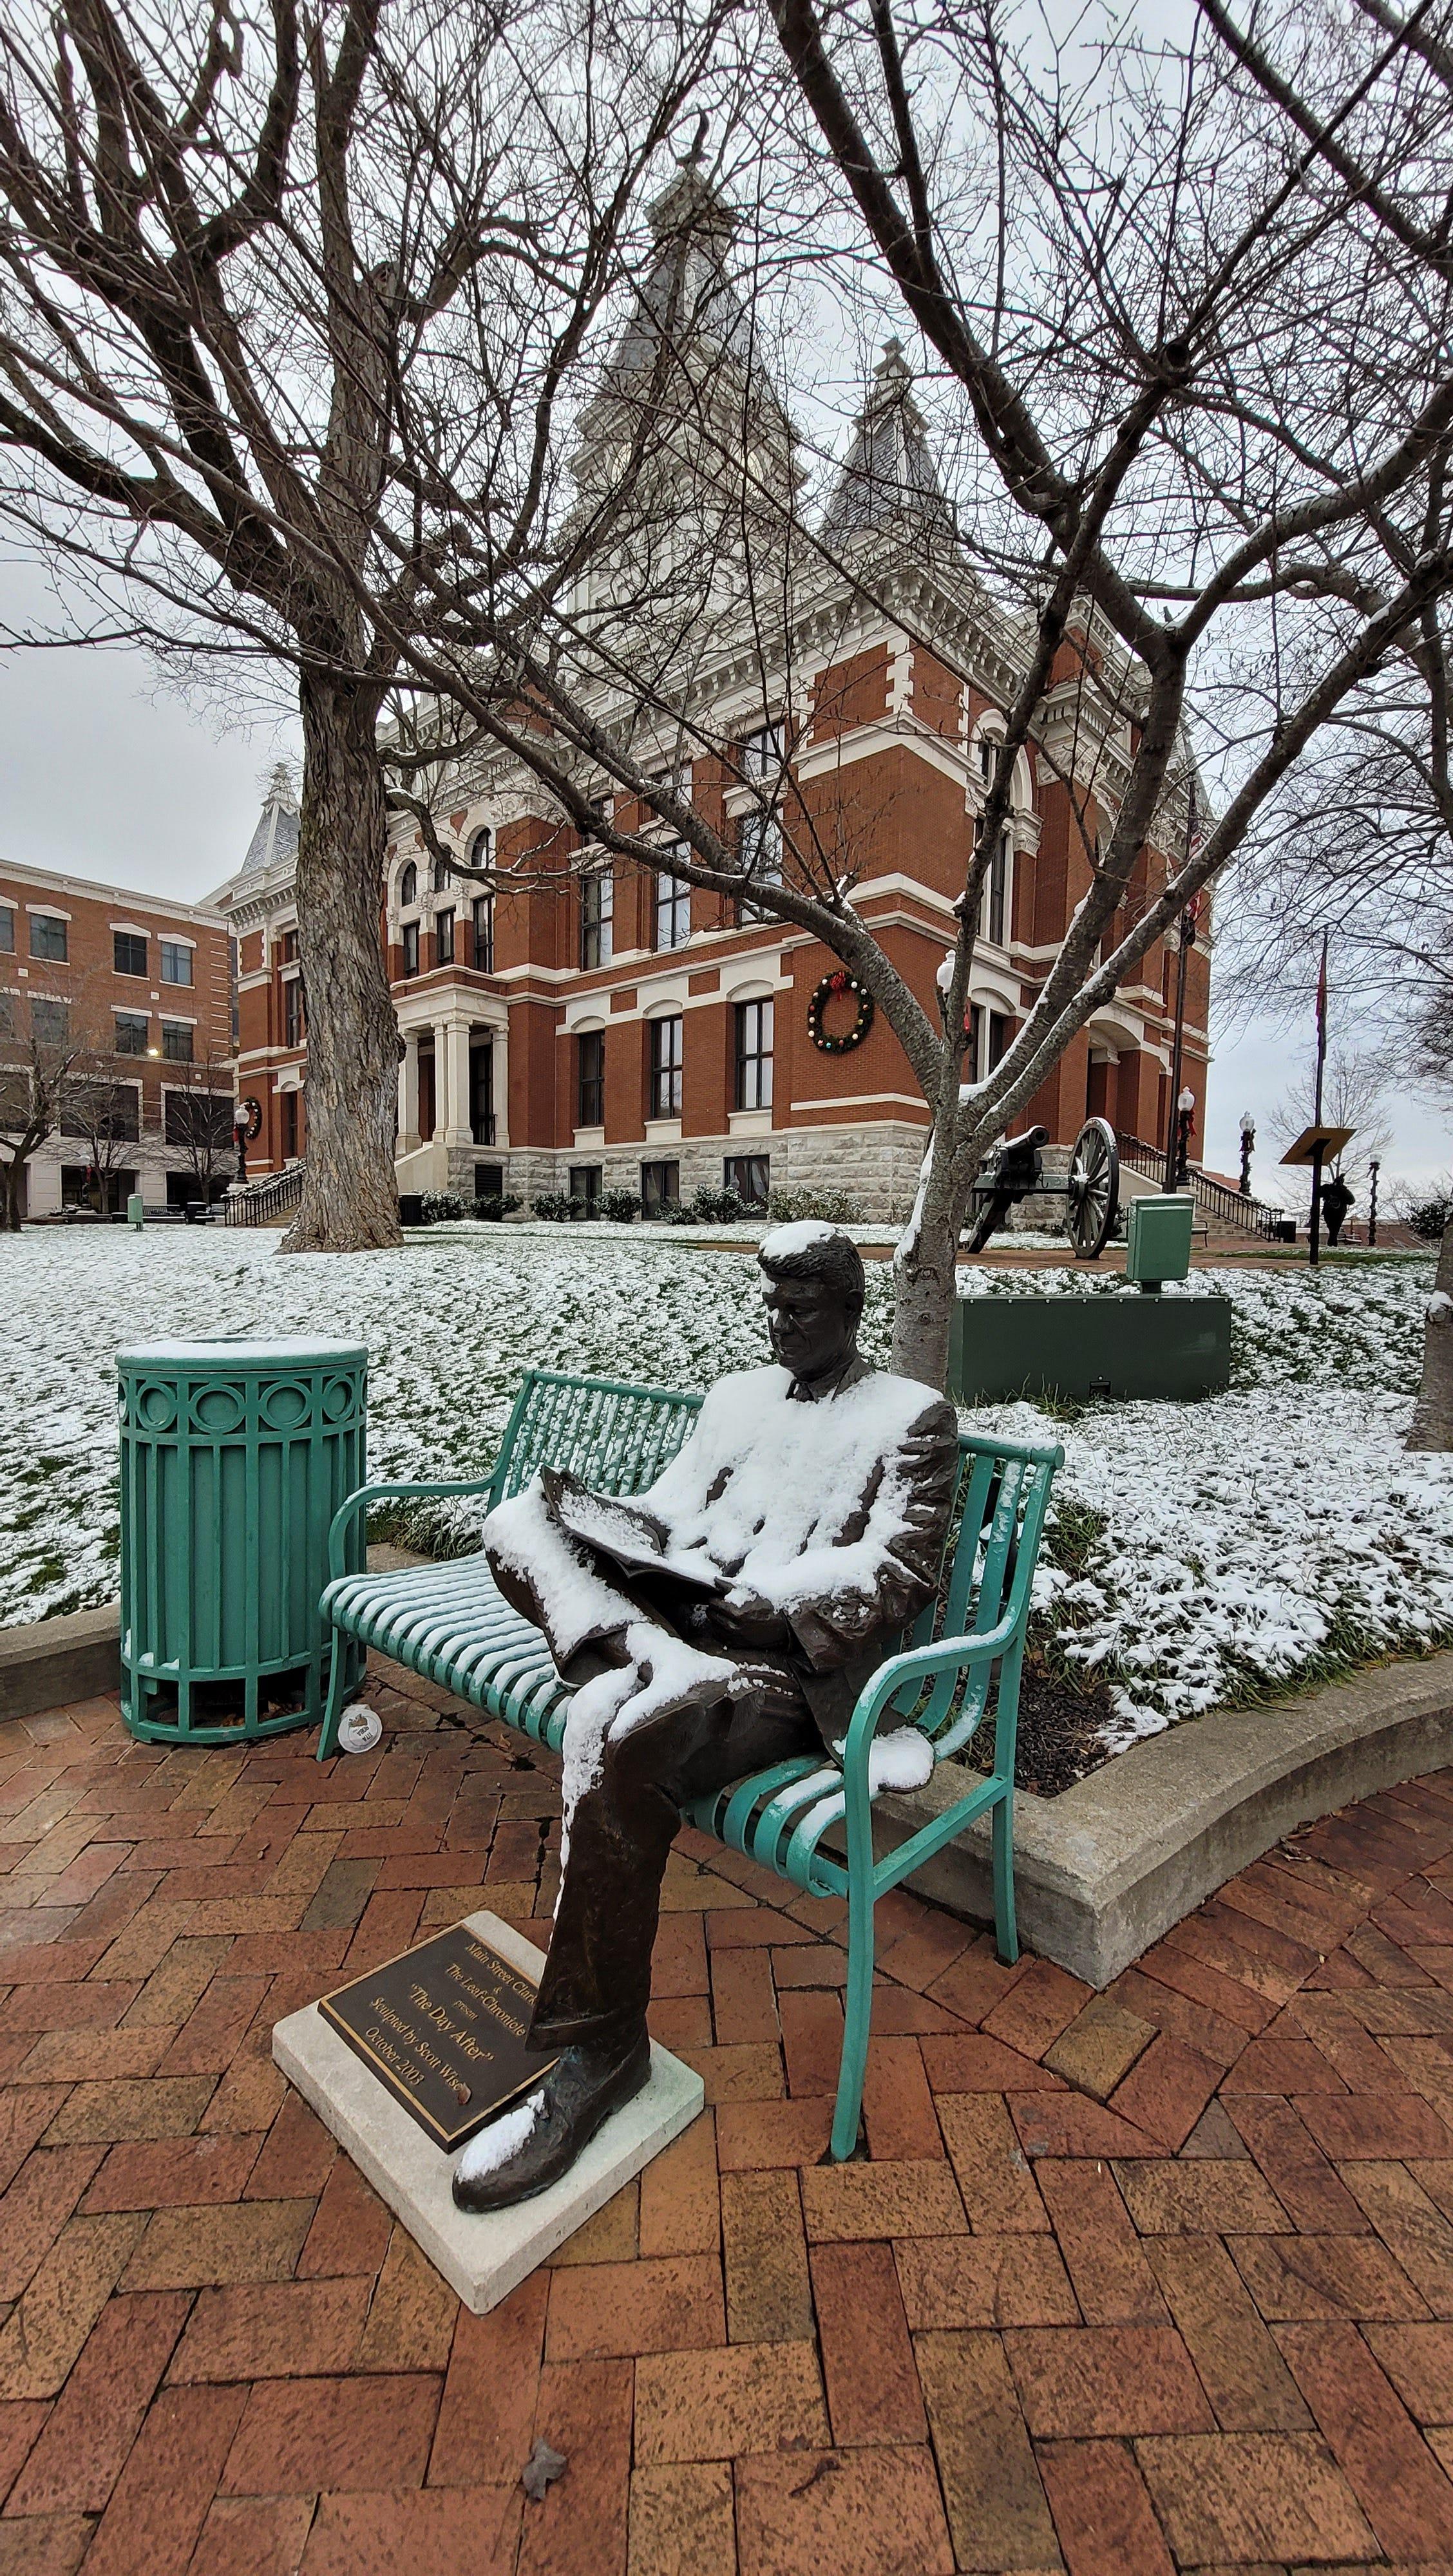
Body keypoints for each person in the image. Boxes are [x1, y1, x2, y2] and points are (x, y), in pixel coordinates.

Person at [452, 1221, 958, 2211]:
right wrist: (606, 1525)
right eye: (769, 1305)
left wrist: (784, 1603)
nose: (777, 1325)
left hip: (785, 1676)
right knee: (518, 1523)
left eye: (799, 1310)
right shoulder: (738, 1398)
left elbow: (902, 1570)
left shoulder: (913, 1418)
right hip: (684, 1627)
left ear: (851, 1312)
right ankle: (652, 1658)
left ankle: (602, 2056)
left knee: (620, 1731)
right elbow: (674, 1508)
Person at [1320, 1171, 1355, 1246]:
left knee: (1334, 1229)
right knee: (1334, 1229)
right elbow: (1319, 1193)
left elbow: (1351, 1201)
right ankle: (1332, 1243)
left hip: (1338, 1212)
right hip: (1332, 1212)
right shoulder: (1329, 1188)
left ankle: (1332, 1244)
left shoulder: (1342, 1190)